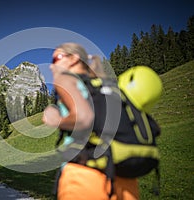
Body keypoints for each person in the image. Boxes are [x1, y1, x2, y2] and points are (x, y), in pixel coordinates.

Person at [42, 43, 139, 200]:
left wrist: (56, 119)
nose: (52, 67)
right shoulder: (107, 85)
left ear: (73, 59)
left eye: (56, 59)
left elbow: (83, 117)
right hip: (124, 179)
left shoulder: (66, 79)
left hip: (83, 174)